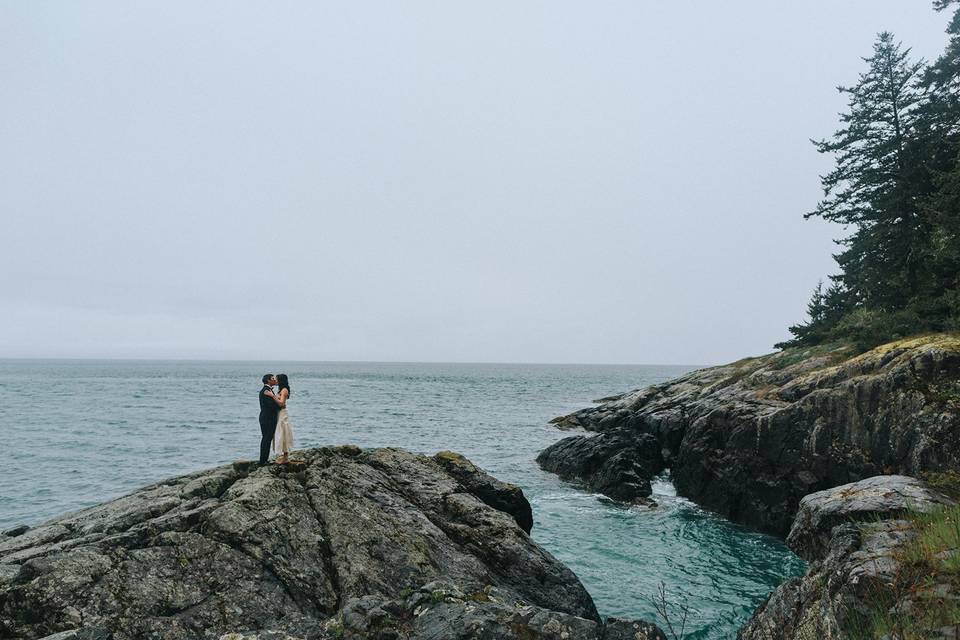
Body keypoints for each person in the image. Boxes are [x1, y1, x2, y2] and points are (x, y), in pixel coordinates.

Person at [258, 374, 283, 465]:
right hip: (267, 418)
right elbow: (273, 406)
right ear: (268, 380)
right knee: (266, 439)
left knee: (267, 439)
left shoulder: (268, 391)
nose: (275, 380)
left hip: (267, 418)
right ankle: (263, 461)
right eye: (273, 379)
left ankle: (264, 460)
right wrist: (279, 404)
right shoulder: (265, 391)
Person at [273, 374, 294, 464]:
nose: (275, 381)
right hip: (279, 413)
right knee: (279, 432)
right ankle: (283, 455)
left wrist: (272, 396)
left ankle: (285, 457)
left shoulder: (284, 390)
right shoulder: (280, 390)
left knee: (283, 432)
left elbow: (282, 403)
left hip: (282, 413)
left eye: (277, 379)